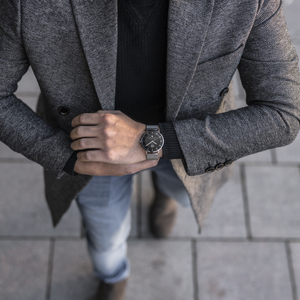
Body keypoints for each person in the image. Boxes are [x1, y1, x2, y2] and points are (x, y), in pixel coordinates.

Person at [1, 0, 300, 299]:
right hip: (89, 152)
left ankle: (165, 195)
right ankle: (113, 275)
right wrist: (62, 154)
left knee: (181, 193)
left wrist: (155, 142)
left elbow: (284, 113)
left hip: (188, 146)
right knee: (105, 243)